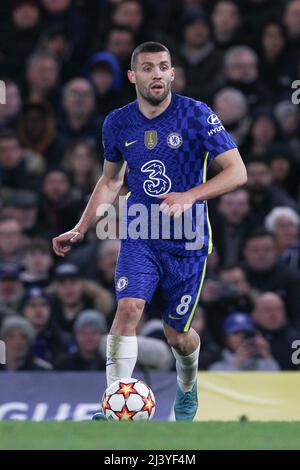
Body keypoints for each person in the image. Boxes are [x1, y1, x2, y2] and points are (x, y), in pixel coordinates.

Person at [53, 42, 247, 421]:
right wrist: (81, 227)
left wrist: (191, 195)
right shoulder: (117, 123)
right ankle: (113, 405)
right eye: (147, 67)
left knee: (178, 336)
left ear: (173, 73)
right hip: (140, 234)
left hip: (188, 242)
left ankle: (187, 385)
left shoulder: (197, 115)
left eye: (163, 67)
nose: (156, 73)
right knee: (127, 309)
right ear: (133, 76)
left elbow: (237, 172)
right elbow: (110, 181)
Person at [209, 312, 280, 371]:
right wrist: (237, 362)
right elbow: (223, 385)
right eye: (236, 333)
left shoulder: (263, 363)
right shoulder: (217, 368)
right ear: (226, 338)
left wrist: (267, 356)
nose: (241, 337)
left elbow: (276, 383)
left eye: (246, 333)